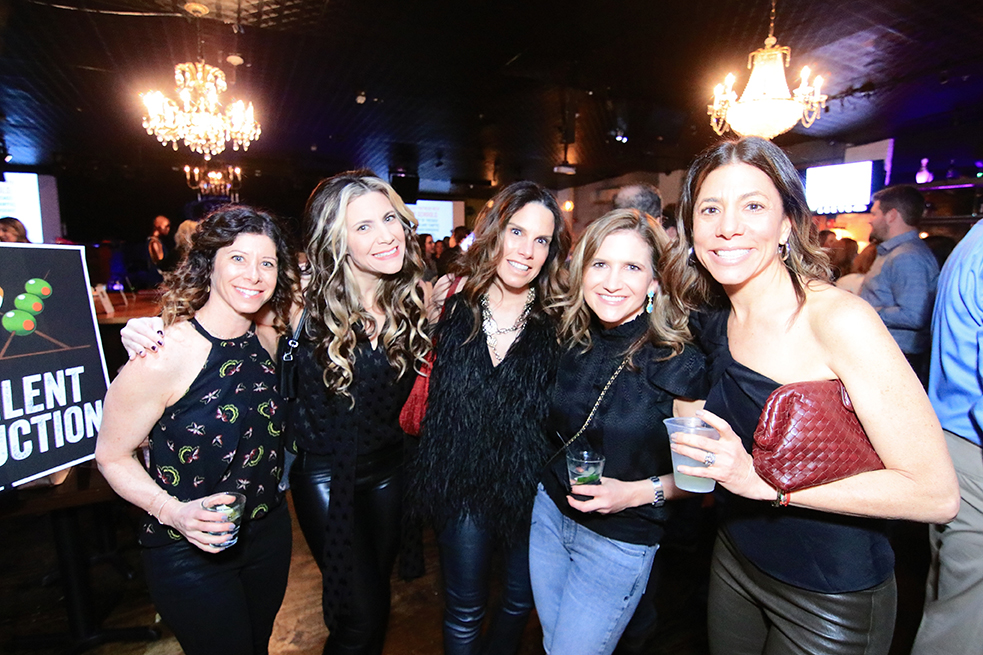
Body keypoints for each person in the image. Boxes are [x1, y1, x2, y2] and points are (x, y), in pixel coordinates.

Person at [665, 136, 959, 655]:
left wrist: (768, 485)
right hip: (735, 558)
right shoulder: (716, 317)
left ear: (785, 225)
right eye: (711, 208)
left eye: (753, 206)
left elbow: (936, 494)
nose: (728, 226)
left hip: (830, 594)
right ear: (692, 226)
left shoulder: (839, 319)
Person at [119, 172, 430, 655]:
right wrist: (150, 327)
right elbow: (223, 315)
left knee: (376, 599)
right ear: (336, 237)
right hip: (327, 475)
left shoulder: (414, 296)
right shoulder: (299, 301)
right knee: (362, 616)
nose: (386, 234)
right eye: (363, 226)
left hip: (393, 472)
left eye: (389, 218)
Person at [96, 206, 299, 655]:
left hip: (268, 534)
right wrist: (172, 513)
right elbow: (111, 455)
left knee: (257, 646)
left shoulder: (270, 335)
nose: (254, 274)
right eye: (238, 258)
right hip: (185, 546)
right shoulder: (162, 353)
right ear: (210, 263)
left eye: (267, 262)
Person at [528, 209, 707, 655]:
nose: (612, 281)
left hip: (619, 541)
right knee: (555, 645)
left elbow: (701, 480)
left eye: (632, 267)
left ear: (654, 283)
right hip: (549, 517)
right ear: (582, 270)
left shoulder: (678, 362)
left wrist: (631, 494)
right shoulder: (571, 338)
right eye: (600, 264)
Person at [411, 180, 571, 655]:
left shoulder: (559, 321)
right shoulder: (450, 305)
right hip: (458, 483)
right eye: (517, 232)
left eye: (541, 240)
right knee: (464, 610)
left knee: (521, 601)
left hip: (532, 490)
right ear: (494, 233)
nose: (526, 250)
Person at [911, 219, 983, 655]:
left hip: (954, 440)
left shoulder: (973, 238)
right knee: (963, 621)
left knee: (954, 603)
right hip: (970, 447)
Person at [859, 185, 939, 385]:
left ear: (892, 215)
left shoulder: (907, 256)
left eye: (874, 213)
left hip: (897, 357)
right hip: (891, 354)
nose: (870, 219)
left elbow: (915, 315)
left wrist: (864, 311)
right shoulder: (897, 252)